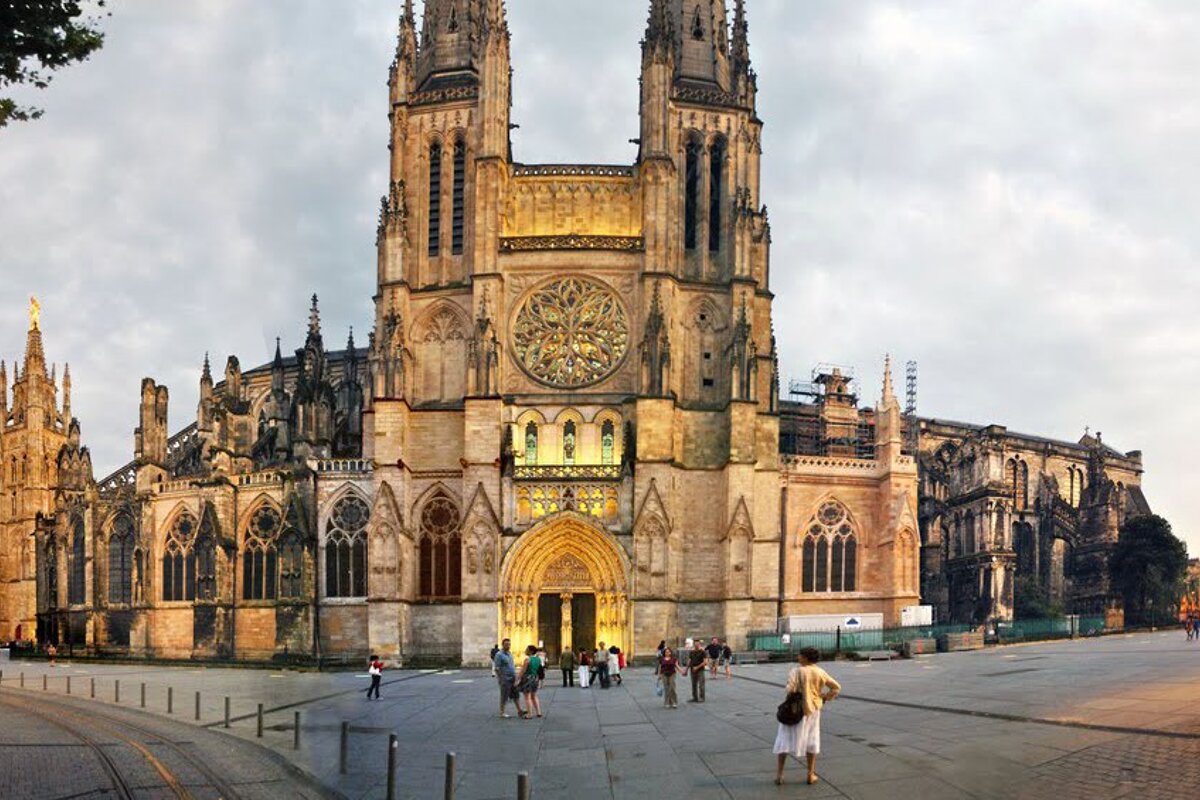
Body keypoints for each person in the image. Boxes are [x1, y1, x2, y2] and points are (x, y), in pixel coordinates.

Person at [773, 647, 841, 786]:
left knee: (784, 739)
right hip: (812, 710)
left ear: (805, 657)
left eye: (800, 655)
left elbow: (790, 689)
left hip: (794, 710)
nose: (798, 657)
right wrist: (824, 697)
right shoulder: (820, 671)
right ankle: (810, 774)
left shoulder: (796, 671)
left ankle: (780, 775)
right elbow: (836, 687)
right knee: (812, 741)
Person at [494, 638, 524, 718]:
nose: (508, 646)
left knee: (516, 695)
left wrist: (516, 675)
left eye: (509, 644)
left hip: (513, 678)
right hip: (505, 678)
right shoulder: (499, 655)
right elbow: (497, 668)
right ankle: (502, 712)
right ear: (502, 645)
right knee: (504, 696)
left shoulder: (510, 653)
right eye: (506, 644)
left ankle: (519, 710)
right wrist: (501, 679)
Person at [517, 645, 543, 719]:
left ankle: (529, 714)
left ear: (531, 651)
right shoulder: (538, 659)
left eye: (527, 649)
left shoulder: (527, 659)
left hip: (527, 678)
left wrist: (517, 678)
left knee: (527, 697)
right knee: (534, 696)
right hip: (535, 678)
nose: (525, 650)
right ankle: (538, 712)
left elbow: (523, 670)